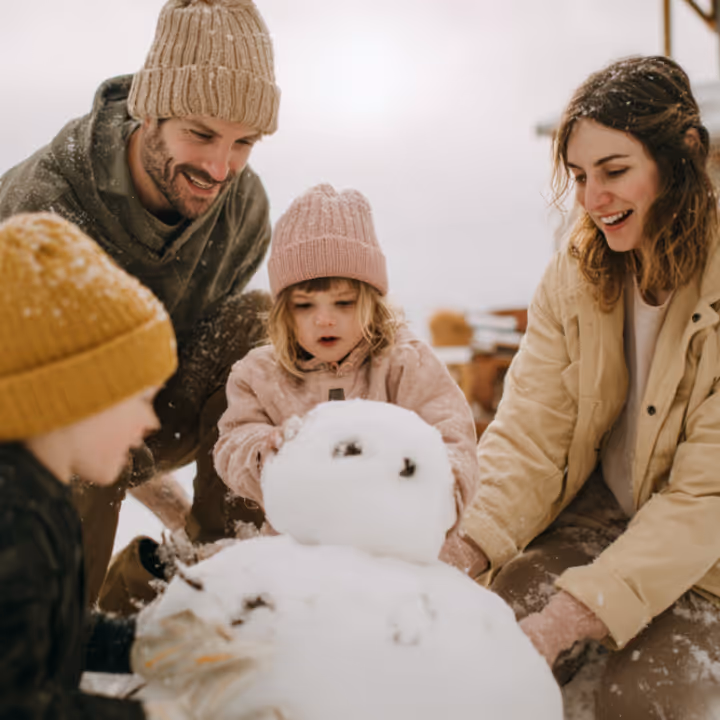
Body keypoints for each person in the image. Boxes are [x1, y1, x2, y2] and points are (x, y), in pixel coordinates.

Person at [443, 55, 720, 718]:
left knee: (639, 700)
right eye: (579, 176)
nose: (593, 200)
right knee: (490, 644)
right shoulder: (573, 277)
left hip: (706, 561)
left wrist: (574, 615)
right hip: (593, 518)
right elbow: (532, 436)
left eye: (615, 171)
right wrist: (464, 545)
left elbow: (707, 496)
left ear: (681, 154)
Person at [0, 0, 281, 611]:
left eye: (243, 143)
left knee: (263, 329)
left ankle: (213, 583)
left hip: (145, 405)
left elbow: (219, 383)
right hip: (31, 424)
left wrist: (191, 510)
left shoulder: (243, 211)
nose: (218, 167)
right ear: (148, 111)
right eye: (201, 134)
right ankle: (51, 635)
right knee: (76, 408)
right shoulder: (47, 208)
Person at [214, 183, 480, 546]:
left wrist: (433, 493)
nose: (324, 320)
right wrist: (265, 449)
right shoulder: (258, 376)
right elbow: (233, 441)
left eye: (344, 303)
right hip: (295, 548)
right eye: (305, 306)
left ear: (372, 302)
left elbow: (453, 439)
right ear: (282, 311)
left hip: (394, 545)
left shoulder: (405, 363)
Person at [0, 212, 178, 717]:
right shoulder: (12, 519)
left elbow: (44, 634)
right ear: (74, 396)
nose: (149, 422)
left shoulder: (40, 495)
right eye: (140, 397)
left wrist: (143, 643)